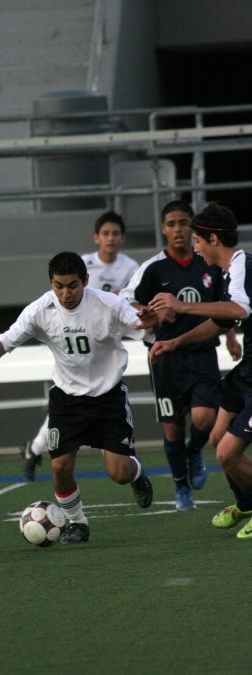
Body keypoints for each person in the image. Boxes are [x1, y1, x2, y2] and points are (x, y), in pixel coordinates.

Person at [0, 251, 156, 544]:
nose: (65, 293)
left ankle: (138, 474)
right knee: (59, 467)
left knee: (119, 473)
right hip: (67, 399)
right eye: (58, 285)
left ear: (85, 280)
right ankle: (78, 523)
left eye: (72, 285)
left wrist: (151, 318)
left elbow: (140, 320)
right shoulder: (40, 309)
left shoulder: (107, 304)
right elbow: (7, 338)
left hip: (108, 397)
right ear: (51, 283)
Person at [119, 200, 242, 512]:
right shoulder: (152, 268)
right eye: (171, 224)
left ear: (195, 229)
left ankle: (193, 453)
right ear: (163, 229)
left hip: (202, 354)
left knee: (205, 418)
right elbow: (124, 301)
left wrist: (228, 337)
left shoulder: (214, 264)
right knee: (173, 426)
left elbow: (227, 306)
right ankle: (180, 487)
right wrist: (148, 312)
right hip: (166, 358)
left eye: (184, 223)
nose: (178, 230)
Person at [148, 202, 252, 538]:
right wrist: (177, 341)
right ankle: (246, 505)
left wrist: (181, 305)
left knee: (227, 453)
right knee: (217, 438)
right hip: (248, 369)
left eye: (197, 239)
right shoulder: (228, 272)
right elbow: (223, 320)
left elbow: (238, 309)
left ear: (212, 239)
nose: (194, 247)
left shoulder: (241, 266)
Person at [21, 211, 140, 480]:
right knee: (70, 394)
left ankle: (116, 457)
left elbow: (133, 302)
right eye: (106, 233)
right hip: (74, 337)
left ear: (122, 238)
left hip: (105, 339)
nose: (111, 239)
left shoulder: (131, 267)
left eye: (116, 233)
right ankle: (36, 450)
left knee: (92, 393)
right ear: (96, 237)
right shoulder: (82, 264)